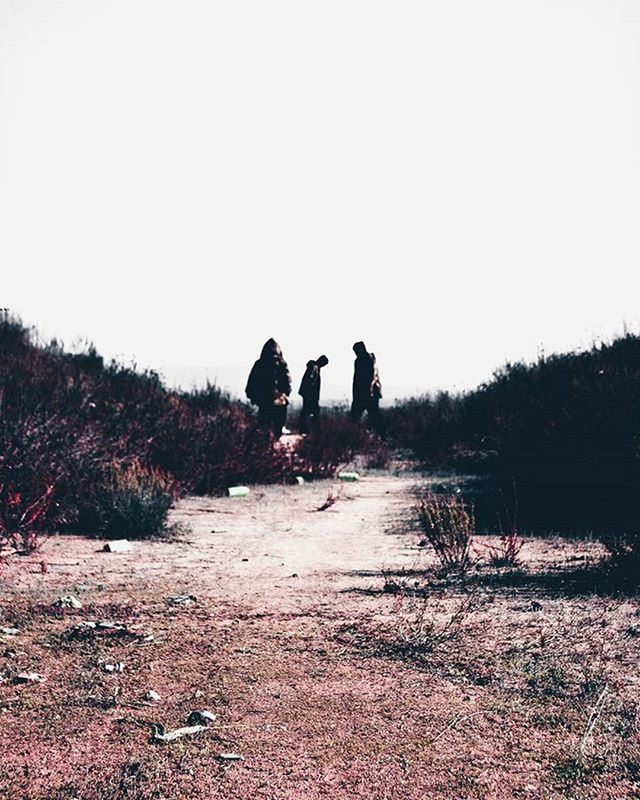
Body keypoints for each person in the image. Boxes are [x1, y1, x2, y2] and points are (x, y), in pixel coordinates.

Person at [245, 338, 292, 437]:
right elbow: (287, 381)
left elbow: (253, 380)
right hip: (279, 399)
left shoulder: (260, 363)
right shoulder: (282, 363)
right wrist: (286, 393)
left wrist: (252, 395)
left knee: (264, 424)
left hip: (264, 398)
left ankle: (266, 446)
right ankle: (276, 441)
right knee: (278, 423)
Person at [350, 341, 384, 435]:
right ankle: (381, 435)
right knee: (374, 415)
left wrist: (357, 394)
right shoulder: (371, 359)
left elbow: (359, 379)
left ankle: (357, 435)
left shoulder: (362, 360)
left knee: (356, 416)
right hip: (371, 393)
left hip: (364, 393)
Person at [298, 354, 329, 433]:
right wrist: (312, 393)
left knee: (307, 410)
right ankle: (313, 429)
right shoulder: (315, 367)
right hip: (310, 394)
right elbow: (311, 381)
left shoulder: (314, 367)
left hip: (308, 393)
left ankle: (306, 428)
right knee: (312, 411)